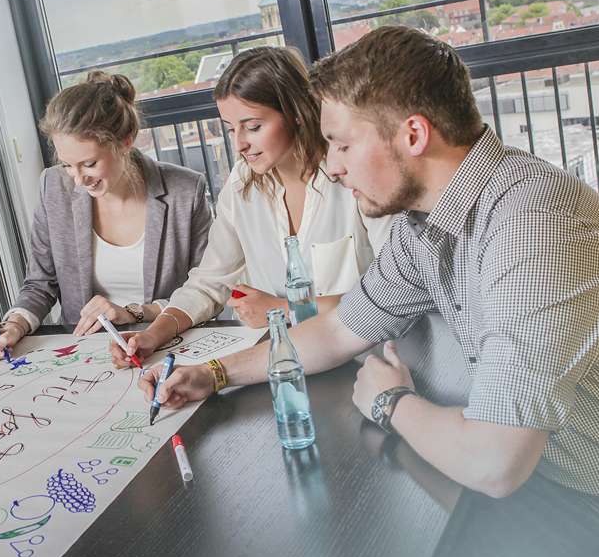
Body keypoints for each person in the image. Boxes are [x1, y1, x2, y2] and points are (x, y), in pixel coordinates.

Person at [142, 26, 599, 557]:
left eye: (342, 144)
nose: (330, 164)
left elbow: (495, 463)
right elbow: (338, 331)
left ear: (412, 134)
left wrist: (390, 400)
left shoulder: (534, 226)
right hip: (549, 469)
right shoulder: (428, 222)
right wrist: (215, 373)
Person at [111, 46, 390, 368]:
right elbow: (209, 282)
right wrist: (153, 334)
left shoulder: (352, 176)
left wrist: (285, 308)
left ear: (296, 113)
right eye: (230, 128)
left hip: (364, 359)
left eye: (253, 127)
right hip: (276, 360)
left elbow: (396, 287)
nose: (239, 144)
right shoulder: (241, 183)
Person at [0, 71, 211, 360]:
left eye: (89, 163)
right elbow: (40, 284)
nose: (78, 180)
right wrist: (12, 326)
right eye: (67, 165)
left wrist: (134, 313)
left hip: (166, 347)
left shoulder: (185, 191)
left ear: (125, 142)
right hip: (85, 355)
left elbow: (205, 291)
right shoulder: (53, 186)